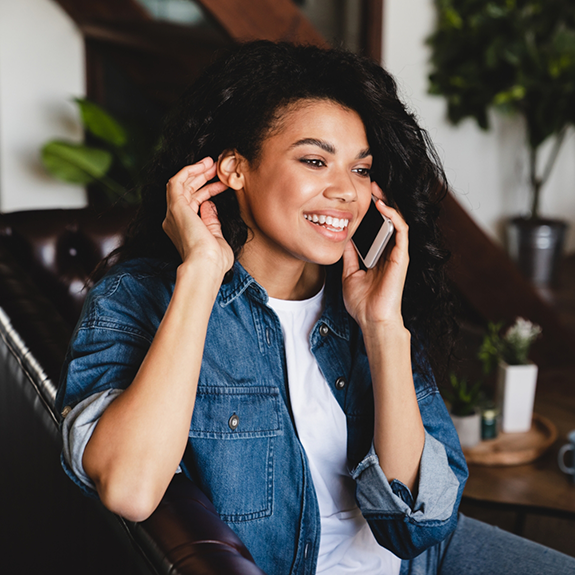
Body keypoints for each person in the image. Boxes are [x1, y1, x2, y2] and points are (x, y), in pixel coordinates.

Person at [56, 41, 575, 575]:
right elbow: (129, 490)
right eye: (314, 160)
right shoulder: (136, 297)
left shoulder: (362, 298)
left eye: (360, 168)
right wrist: (201, 273)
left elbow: (418, 526)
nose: (346, 191)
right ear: (234, 168)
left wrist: (382, 328)